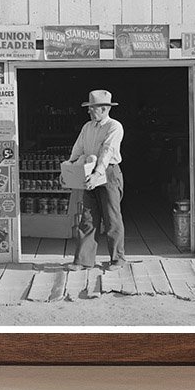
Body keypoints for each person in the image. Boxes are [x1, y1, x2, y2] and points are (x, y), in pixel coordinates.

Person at [67, 89, 126, 270]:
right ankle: (83, 261)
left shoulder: (114, 126)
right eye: (89, 108)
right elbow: (78, 149)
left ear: (104, 109)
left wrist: (97, 174)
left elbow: (107, 152)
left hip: (108, 173)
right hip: (89, 171)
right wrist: (68, 167)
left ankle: (117, 259)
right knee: (88, 217)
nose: (89, 111)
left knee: (112, 218)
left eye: (92, 108)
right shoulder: (87, 127)